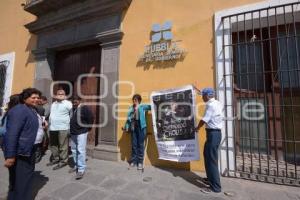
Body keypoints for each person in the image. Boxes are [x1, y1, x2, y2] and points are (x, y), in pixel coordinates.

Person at [3, 88, 41, 200]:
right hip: (21, 152)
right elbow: (12, 134)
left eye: (38, 97)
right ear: (25, 98)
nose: (36, 99)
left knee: (18, 180)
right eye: (33, 97)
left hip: (29, 149)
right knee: (22, 181)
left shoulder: (31, 109)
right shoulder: (19, 110)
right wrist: (10, 156)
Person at [195, 87, 223, 194]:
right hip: (214, 134)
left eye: (203, 95)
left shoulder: (210, 105)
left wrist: (197, 128)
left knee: (211, 159)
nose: (202, 97)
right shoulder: (217, 103)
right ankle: (210, 179)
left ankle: (215, 187)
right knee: (207, 155)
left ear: (207, 95)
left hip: (213, 134)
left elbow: (204, 119)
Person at [122, 94, 151, 170]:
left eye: (136, 100)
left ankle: (140, 162)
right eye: (134, 100)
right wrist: (127, 127)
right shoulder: (131, 108)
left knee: (140, 145)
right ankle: (133, 161)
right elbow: (128, 119)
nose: (134, 101)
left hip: (141, 128)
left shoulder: (142, 106)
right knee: (134, 145)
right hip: (133, 128)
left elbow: (150, 107)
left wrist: (156, 100)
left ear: (139, 100)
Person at [69, 96, 94, 180]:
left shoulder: (84, 108)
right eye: (73, 101)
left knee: (80, 150)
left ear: (79, 101)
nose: (74, 103)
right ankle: (77, 165)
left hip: (81, 132)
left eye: (75, 101)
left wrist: (88, 127)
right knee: (73, 149)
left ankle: (81, 169)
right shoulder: (73, 108)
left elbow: (91, 117)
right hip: (73, 132)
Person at [47, 89, 72, 170]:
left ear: (65, 95)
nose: (60, 95)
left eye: (62, 94)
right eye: (59, 94)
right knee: (53, 145)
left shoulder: (68, 103)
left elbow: (71, 114)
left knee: (63, 146)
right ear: (56, 95)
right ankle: (55, 158)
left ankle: (63, 161)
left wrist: (69, 127)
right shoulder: (53, 103)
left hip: (63, 128)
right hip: (53, 127)